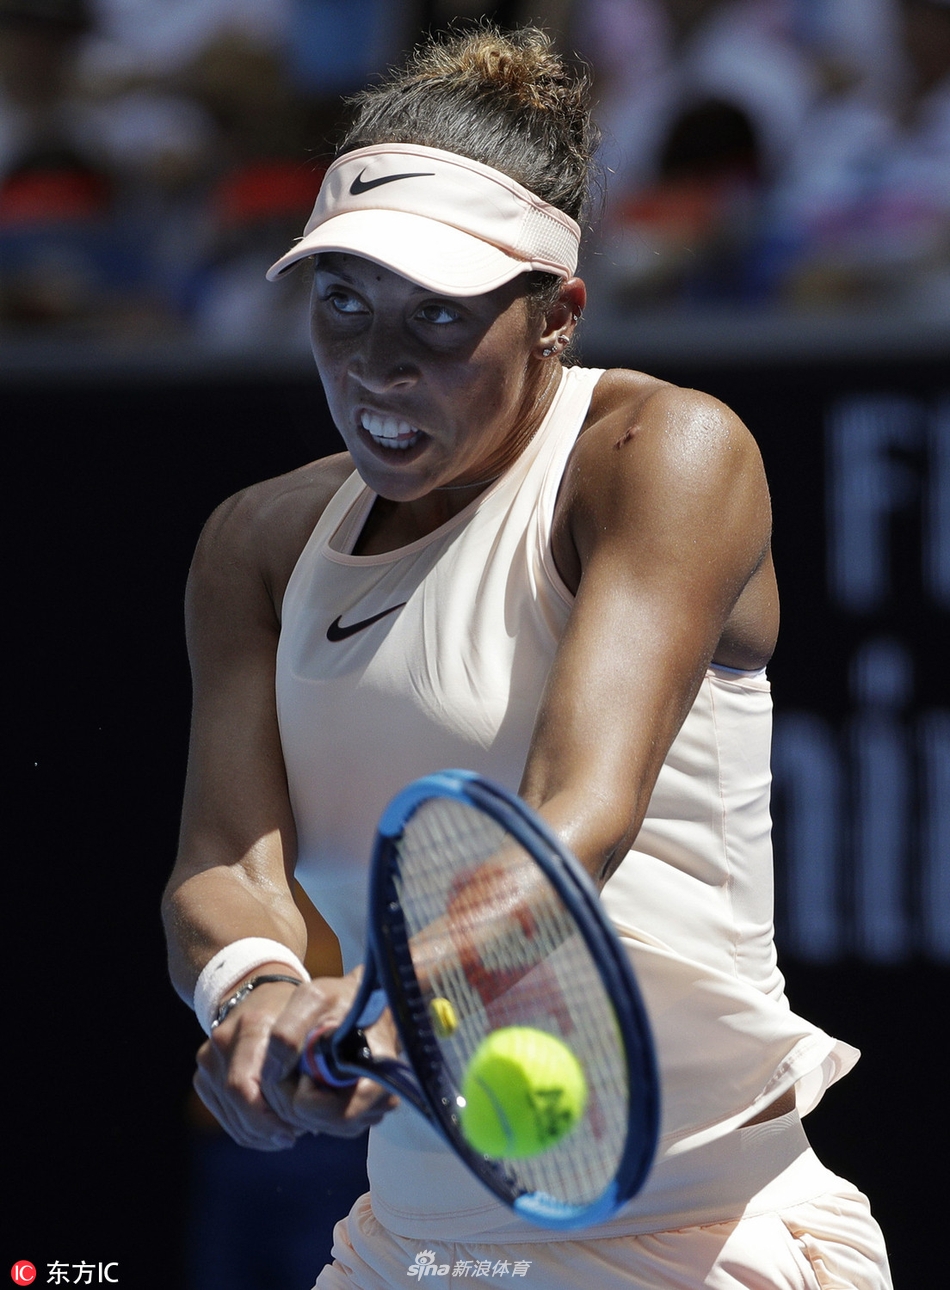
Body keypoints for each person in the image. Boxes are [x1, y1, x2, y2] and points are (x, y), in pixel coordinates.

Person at [163, 25, 892, 1289]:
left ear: (555, 315)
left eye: (440, 316)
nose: (378, 364)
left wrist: (385, 995)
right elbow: (226, 865)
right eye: (343, 300)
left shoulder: (664, 453)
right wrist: (254, 992)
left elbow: (573, 815)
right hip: (407, 1250)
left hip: (708, 1242)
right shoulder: (255, 544)